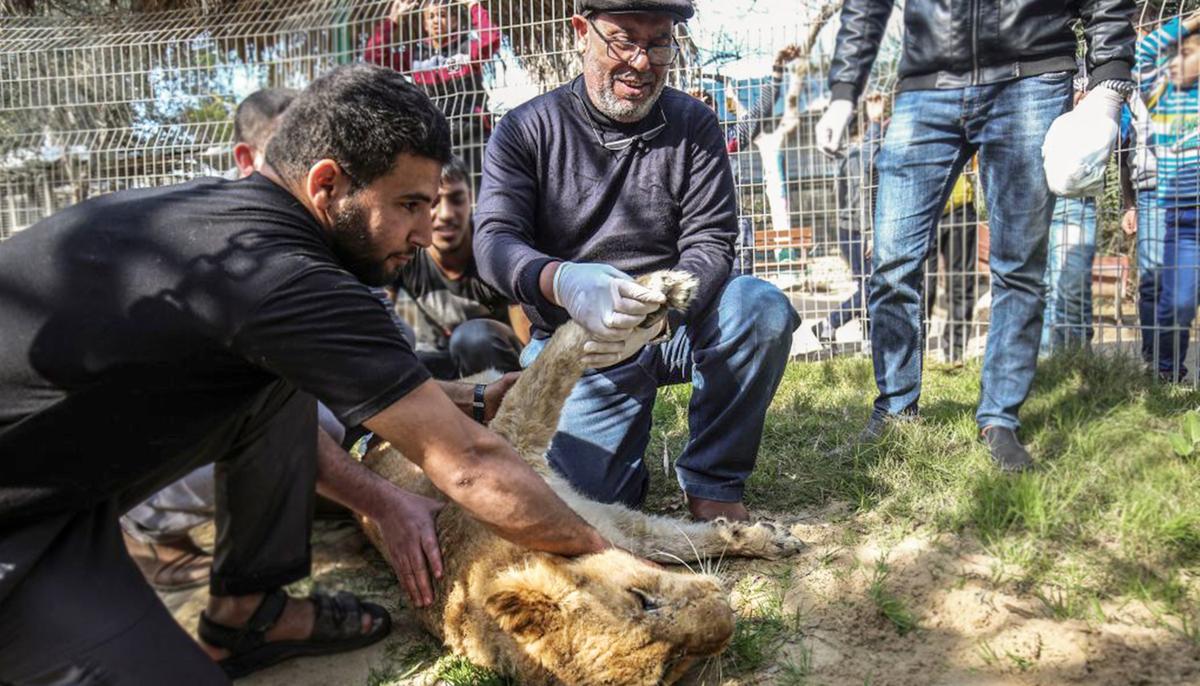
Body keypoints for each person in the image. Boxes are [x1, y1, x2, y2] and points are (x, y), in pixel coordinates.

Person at [0, 64, 615, 685]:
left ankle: (246, 614)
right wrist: (612, 561)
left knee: (271, 392)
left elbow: (323, 386)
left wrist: (465, 395)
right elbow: (470, 465)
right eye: (408, 205)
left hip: (59, 484)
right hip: (17, 529)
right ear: (327, 185)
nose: (427, 233)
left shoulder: (219, 222)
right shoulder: (285, 276)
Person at [474, 0, 798, 522]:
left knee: (757, 308)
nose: (642, 62)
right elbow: (494, 241)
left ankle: (714, 481)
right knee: (588, 502)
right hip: (577, 341)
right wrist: (561, 280)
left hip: (671, 321)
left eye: (659, 43)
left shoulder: (694, 124)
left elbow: (712, 241)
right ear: (582, 32)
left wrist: (659, 313)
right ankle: (624, 455)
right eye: (623, 40)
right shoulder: (525, 129)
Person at [816, 0, 1135, 471]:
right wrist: (845, 88)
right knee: (890, 261)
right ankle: (896, 409)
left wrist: (1109, 82)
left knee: (1018, 265)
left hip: (1032, 74)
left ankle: (999, 418)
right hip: (926, 85)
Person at [393, 155, 525, 378]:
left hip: (504, 368)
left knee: (471, 338)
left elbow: (528, 345)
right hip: (450, 361)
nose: (446, 214)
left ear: (470, 200)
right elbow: (381, 315)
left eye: (456, 199)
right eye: (435, 202)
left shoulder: (494, 251)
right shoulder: (406, 253)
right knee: (408, 361)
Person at [363, 0, 501, 186]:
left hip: (472, 133)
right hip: (435, 140)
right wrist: (393, 20)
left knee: (477, 194)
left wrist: (473, 6)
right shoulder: (415, 57)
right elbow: (374, 57)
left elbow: (491, 39)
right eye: (431, 17)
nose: (437, 21)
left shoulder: (467, 48)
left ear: (454, 21)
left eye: (442, 15)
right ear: (425, 24)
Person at [1136, 12, 1200, 381]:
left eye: (1184, 55)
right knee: (1177, 303)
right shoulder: (1159, 95)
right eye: (1171, 57)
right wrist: (1190, 24)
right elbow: (1144, 51)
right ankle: (1165, 370)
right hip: (1184, 217)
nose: (1173, 64)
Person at [809, 92, 887, 347]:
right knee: (873, 287)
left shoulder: (845, 154)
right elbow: (863, 197)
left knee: (869, 285)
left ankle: (868, 339)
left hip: (849, 230)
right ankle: (829, 323)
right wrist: (871, 234)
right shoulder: (859, 155)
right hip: (859, 232)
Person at [925, 161, 981, 363]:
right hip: (924, 209)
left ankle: (955, 354)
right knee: (923, 287)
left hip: (960, 208)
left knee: (961, 285)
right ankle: (916, 353)